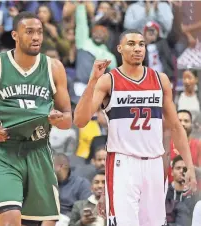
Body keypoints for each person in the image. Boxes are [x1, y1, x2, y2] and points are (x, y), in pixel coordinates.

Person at [0, 11, 72, 226]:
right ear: (15, 35)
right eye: (29, 32)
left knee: (43, 222)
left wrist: (58, 119)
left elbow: (68, 119)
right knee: (9, 218)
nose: (36, 37)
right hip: (4, 150)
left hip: (39, 150)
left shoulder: (54, 68)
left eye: (39, 32)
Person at [73, 29, 197, 226]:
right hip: (123, 163)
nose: (137, 48)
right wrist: (92, 81)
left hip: (155, 163)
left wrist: (189, 165)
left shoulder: (160, 80)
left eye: (141, 44)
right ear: (119, 48)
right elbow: (80, 120)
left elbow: (175, 126)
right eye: (131, 44)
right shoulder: (109, 80)